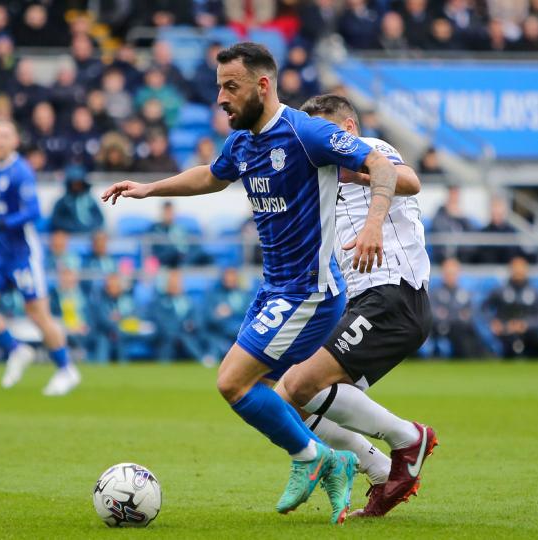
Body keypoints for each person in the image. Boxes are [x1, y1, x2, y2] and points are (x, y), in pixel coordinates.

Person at [101, 42, 397, 521]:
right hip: (275, 289)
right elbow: (212, 177)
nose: (221, 97)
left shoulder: (305, 133)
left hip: (309, 288)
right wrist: (150, 188)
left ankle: (317, 458)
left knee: (233, 382)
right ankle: (361, 462)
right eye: (219, 87)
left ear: (263, 85)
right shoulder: (242, 142)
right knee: (282, 396)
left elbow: (381, 165)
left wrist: (372, 224)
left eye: (230, 86)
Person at [274, 94, 436, 519]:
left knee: (295, 387)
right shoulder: (325, 173)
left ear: (346, 128)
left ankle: (407, 439)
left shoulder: (370, 148)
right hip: (363, 301)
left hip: (393, 292)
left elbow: (411, 180)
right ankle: (380, 469)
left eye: (321, 131)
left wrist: (366, 202)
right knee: (289, 398)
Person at [0, 120, 81, 396]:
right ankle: (16, 350)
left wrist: (4, 221)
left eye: (6, 135)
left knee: (38, 314)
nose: (1, 140)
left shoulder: (21, 172)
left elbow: (34, 211)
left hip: (23, 254)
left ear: (15, 141)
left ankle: (66, 369)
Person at [484, 256, 538, 358]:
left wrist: (525, 324)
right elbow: (484, 308)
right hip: (506, 332)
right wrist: (493, 322)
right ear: (510, 269)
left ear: (526, 270)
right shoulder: (500, 290)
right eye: (515, 268)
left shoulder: (535, 292)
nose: (518, 271)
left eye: (521, 268)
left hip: (529, 332)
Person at [430, 257, 484, 358]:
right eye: (448, 273)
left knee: (470, 332)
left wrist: (449, 315)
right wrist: (457, 316)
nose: (450, 276)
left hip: (461, 329)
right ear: (443, 274)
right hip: (441, 329)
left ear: (458, 274)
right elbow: (434, 314)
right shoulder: (435, 293)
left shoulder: (464, 293)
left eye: (453, 273)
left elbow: (470, 314)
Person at [150, 269, 206, 361]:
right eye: (173, 283)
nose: (177, 286)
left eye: (178, 283)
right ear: (167, 285)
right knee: (180, 339)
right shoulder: (160, 302)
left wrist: (192, 325)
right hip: (167, 340)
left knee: (191, 338)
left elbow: (197, 320)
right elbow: (162, 324)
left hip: (188, 336)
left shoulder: (188, 301)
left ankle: (203, 358)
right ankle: (202, 358)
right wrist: (181, 327)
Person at [203, 267, 251, 363]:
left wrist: (232, 312)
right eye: (228, 276)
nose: (230, 279)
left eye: (232, 275)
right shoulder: (214, 295)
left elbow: (251, 315)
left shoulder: (245, 295)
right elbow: (208, 318)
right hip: (222, 332)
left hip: (242, 331)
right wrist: (217, 315)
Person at [50, 165, 105, 234]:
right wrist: (71, 227)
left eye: (79, 184)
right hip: (69, 235)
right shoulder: (63, 202)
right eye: (75, 184)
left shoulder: (90, 201)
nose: (77, 187)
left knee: (101, 236)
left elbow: (99, 218)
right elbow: (56, 220)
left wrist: (91, 227)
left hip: (90, 234)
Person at [49, 266, 90, 357]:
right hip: (63, 329)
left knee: (100, 338)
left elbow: (89, 315)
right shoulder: (54, 295)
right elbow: (52, 316)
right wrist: (67, 328)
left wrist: (84, 326)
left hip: (81, 329)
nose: (67, 280)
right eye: (65, 277)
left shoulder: (82, 294)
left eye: (70, 277)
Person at [430, 186, 475, 263]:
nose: (454, 198)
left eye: (456, 195)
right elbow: (439, 231)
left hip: (461, 255)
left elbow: (471, 233)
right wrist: (450, 215)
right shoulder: (440, 214)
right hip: (444, 256)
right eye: (452, 195)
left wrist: (459, 217)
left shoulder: (462, 217)